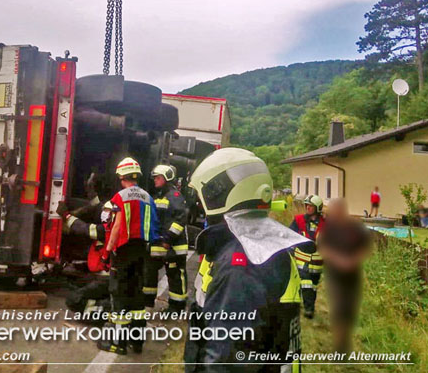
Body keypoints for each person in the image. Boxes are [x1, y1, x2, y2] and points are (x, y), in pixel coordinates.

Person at [184, 148, 310, 372]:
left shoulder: (240, 265)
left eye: (203, 196)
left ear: (218, 194)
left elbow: (226, 360)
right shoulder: (264, 246)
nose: (200, 204)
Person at [97, 157, 158, 355]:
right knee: (136, 296)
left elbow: (116, 228)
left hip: (122, 252)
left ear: (122, 176)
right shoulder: (148, 197)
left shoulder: (120, 197)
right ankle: (137, 343)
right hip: (141, 251)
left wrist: (106, 252)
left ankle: (118, 344)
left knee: (120, 296)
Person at [318, 198, 371, 353]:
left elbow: (366, 248)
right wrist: (339, 260)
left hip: (353, 277)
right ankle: (340, 347)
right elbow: (323, 249)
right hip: (335, 277)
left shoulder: (356, 227)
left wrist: (353, 260)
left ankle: (345, 339)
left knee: (351, 310)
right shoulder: (328, 229)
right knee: (339, 309)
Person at [144, 164, 189, 312]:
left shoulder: (174, 196)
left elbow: (181, 219)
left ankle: (177, 307)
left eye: (158, 178)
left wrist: (167, 239)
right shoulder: (159, 196)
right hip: (160, 245)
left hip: (174, 247)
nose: (155, 180)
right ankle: (147, 303)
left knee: (175, 277)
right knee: (149, 273)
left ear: (166, 178)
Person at [60, 201, 117, 317]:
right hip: (107, 277)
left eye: (107, 211)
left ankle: (108, 309)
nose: (104, 213)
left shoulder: (107, 230)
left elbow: (84, 228)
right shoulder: (115, 228)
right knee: (73, 286)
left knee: (74, 300)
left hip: (108, 279)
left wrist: (67, 216)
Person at [289, 194, 325, 319]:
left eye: (311, 206)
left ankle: (310, 307)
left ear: (318, 208)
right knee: (306, 283)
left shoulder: (326, 224)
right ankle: (308, 309)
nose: (308, 208)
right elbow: (289, 235)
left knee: (313, 286)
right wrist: (290, 249)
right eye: (307, 205)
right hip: (301, 259)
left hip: (317, 262)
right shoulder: (298, 220)